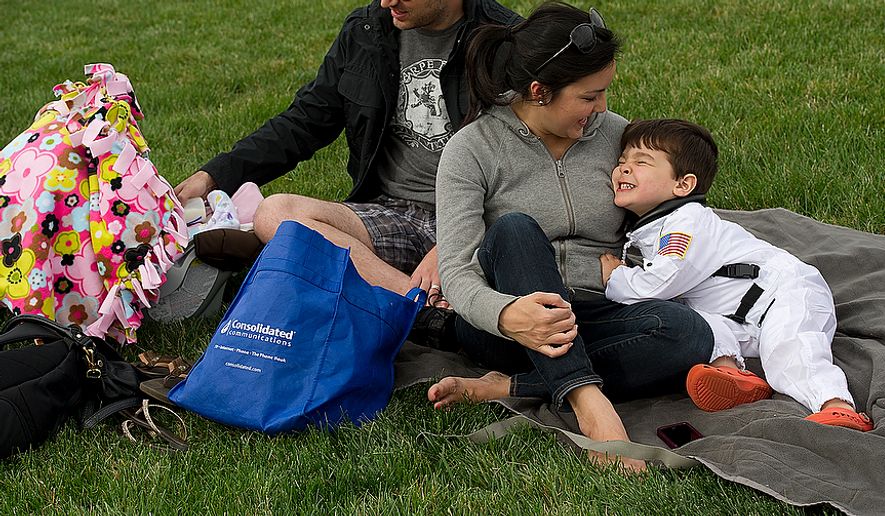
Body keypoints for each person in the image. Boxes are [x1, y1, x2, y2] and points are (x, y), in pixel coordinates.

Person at [426, 3, 715, 472]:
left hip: (595, 312)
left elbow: (659, 220)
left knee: (689, 333)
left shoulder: (617, 136)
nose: (602, 107)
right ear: (539, 92)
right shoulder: (472, 150)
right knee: (514, 229)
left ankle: (512, 386)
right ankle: (591, 406)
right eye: (589, 96)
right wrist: (506, 314)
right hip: (506, 324)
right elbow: (456, 272)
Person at [173, 0, 520, 303]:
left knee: (294, 255)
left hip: (472, 219)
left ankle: (382, 288)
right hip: (389, 214)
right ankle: (421, 305)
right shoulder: (367, 31)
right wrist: (214, 175)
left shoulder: (507, 43)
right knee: (274, 213)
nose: (387, 2)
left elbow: (530, 171)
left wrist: (451, 246)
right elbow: (304, 121)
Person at [599, 118, 873, 431]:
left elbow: (661, 280)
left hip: (781, 294)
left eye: (641, 162)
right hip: (739, 316)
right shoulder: (654, 227)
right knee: (699, 323)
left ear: (683, 185)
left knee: (790, 351)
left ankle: (837, 406)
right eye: (622, 161)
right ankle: (730, 371)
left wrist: (617, 278)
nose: (624, 169)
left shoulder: (686, 223)